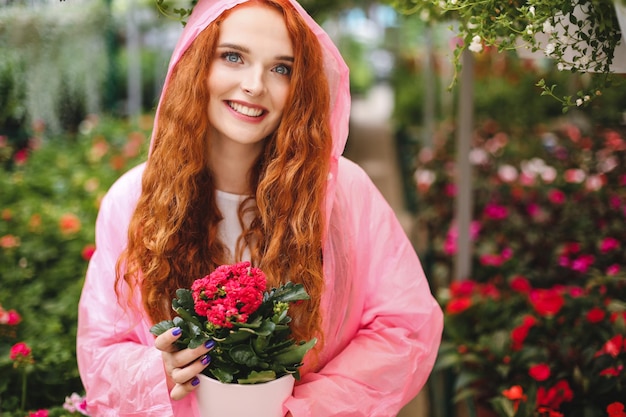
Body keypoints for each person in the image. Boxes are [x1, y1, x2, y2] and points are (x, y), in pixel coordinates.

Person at [76, 0, 444, 416]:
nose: (255, 85)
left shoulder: (343, 195)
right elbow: (101, 347)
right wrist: (156, 370)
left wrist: (309, 408)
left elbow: (404, 326)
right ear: (197, 65)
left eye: (281, 68)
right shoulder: (133, 201)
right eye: (233, 57)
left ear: (299, 88)